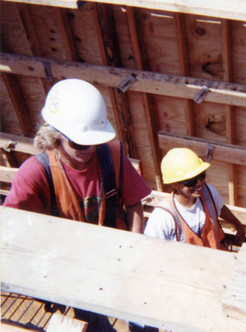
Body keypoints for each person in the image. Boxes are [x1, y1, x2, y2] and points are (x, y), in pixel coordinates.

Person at [3, 78, 152, 332]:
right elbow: (13, 233)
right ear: (54, 135)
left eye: (95, 141)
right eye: (79, 143)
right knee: (93, 322)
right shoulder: (34, 173)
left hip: (114, 257)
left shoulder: (112, 156)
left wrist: (134, 247)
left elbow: (134, 203)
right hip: (71, 268)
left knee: (143, 313)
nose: (89, 149)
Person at [144, 147, 246, 250]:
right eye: (191, 181)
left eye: (201, 176)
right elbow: (152, 253)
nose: (199, 183)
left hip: (216, 259)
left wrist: (238, 225)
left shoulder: (209, 192)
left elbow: (221, 209)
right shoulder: (162, 218)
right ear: (174, 184)